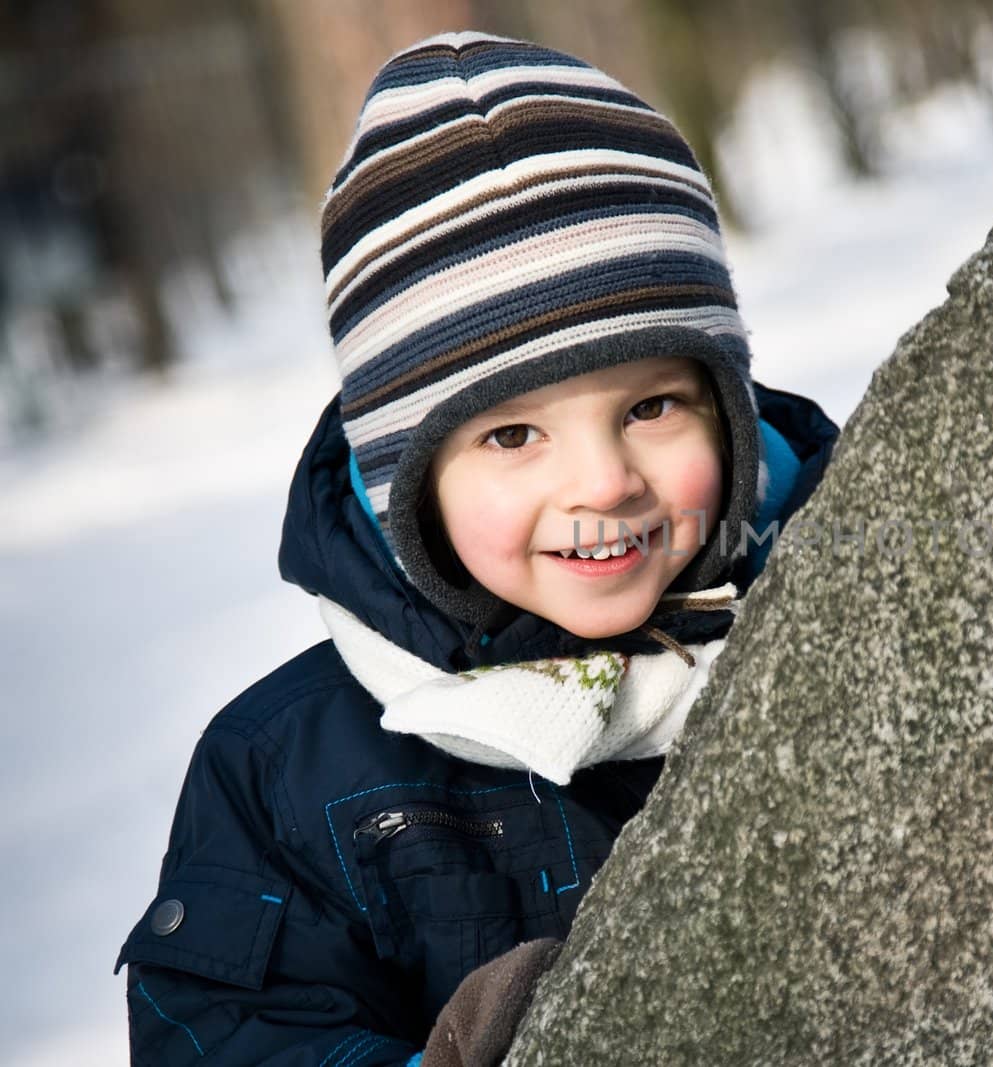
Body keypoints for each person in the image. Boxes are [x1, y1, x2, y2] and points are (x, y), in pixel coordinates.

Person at [116, 31, 837, 1066]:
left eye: (651, 405)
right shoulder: (289, 774)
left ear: (725, 408)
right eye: (511, 434)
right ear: (405, 485)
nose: (601, 481)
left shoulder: (838, 619)